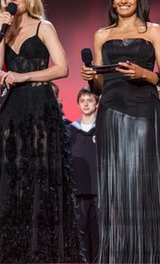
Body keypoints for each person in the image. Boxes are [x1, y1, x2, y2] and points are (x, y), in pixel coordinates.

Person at [0, 0, 82, 263]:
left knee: (40, 175)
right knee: (14, 175)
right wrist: (1, 32)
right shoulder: (1, 30)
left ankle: (43, 250)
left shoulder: (43, 26)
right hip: (12, 109)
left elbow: (62, 68)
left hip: (40, 105)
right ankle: (15, 250)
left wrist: (25, 76)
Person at [80, 0, 160, 262]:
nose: (123, 0)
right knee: (116, 186)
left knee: (141, 183)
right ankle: (119, 254)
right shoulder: (101, 35)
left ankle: (148, 255)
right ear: (112, 0)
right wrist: (90, 78)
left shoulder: (153, 31)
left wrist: (144, 74)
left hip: (143, 113)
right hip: (110, 113)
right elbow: (99, 87)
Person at [66, 86, 99, 261]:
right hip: (78, 191)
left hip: (99, 191)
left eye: (90, 100)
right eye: (82, 101)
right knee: (81, 233)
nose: (86, 104)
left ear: (97, 103)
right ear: (78, 105)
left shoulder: (104, 130)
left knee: (98, 234)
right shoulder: (71, 131)